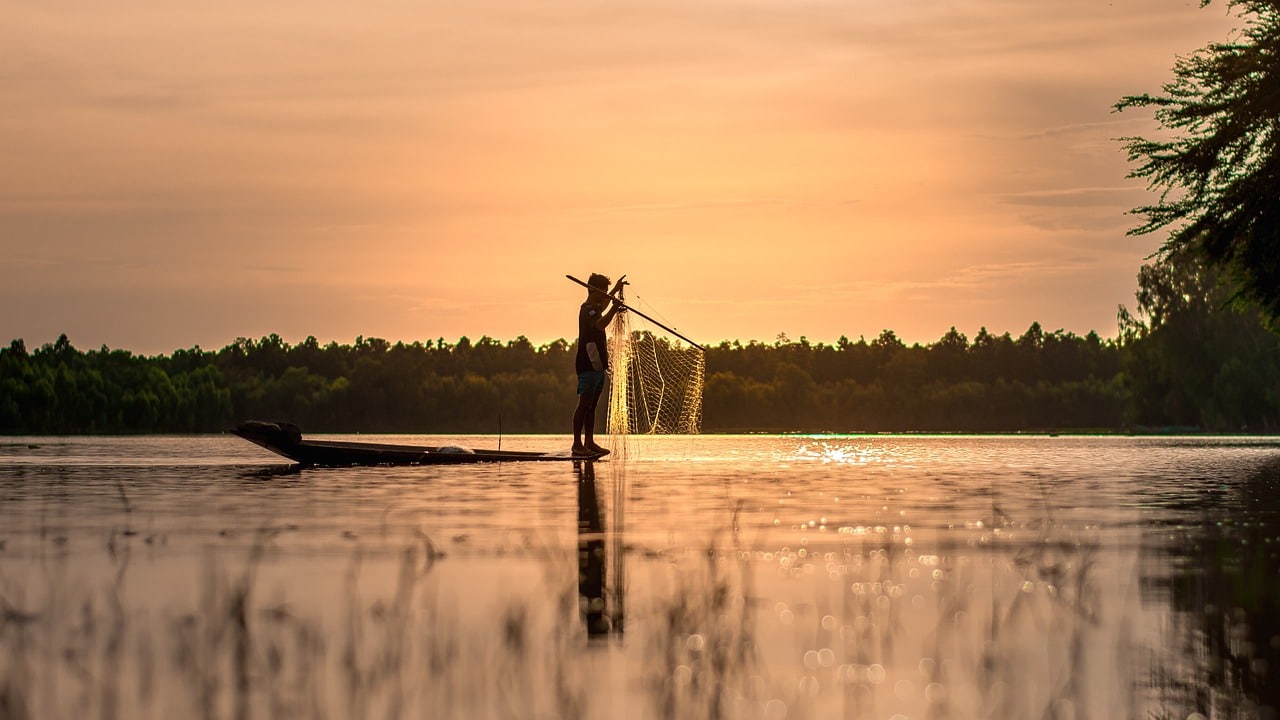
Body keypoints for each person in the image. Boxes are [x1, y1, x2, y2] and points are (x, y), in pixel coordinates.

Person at [573, 273, 626, 456]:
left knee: (593, 405)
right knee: (584, 403)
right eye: (602, 291)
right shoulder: (587, 309)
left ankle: (589, 442)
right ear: (593, 290)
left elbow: (603, 305)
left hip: (598, 365)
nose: (605, 295)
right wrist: (614, 308)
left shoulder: (596, 306)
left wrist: (616, 289)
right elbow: (599, 324)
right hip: (587, 363)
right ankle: (577, 444)